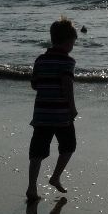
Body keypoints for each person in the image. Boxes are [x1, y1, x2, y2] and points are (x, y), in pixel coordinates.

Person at [27, 16, 78, 199]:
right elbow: (67, 83)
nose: (72, 47)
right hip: (61, 115)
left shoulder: (40, 60)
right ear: (67, 42)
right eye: (72, 42)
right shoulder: (68, 62)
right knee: (68, 146)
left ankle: (32, 187)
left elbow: (34, 85)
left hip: (41, 115)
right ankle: (55, 177)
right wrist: (72, 107)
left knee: (37, 151)